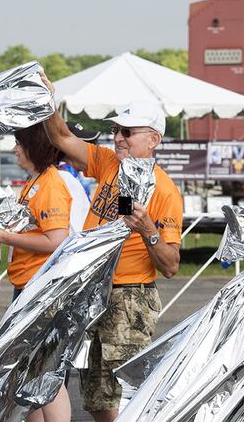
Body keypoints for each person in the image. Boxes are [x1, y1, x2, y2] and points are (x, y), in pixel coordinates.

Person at [40, 73, 183, 422]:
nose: (118, 137)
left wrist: (149, 230)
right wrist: (47, 100)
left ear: (153, 139)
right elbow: (60, 136)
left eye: (128, 132)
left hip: (128, 298)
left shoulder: (164, 191)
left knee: (127, 394)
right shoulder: (109, 164)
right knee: (97, 395)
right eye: (117, 130)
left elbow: (171, 265)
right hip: (93, 293)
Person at [0, 123, 73, 422]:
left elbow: (55, 240)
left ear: (34, 145)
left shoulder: (50, 184)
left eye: (19, 143)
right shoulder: (37, 182)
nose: (14, 149)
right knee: (29, 370)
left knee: (46, 372)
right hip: (30, 288)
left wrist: (4, 237)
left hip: (42, 291)